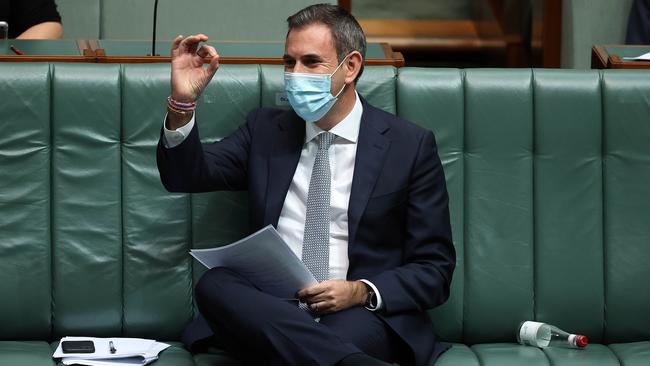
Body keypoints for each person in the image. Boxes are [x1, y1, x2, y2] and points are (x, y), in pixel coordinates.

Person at [157, 4, 455, 366]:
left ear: (351, 66)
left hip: (357, 313)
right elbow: (185, 175)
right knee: (215, 285)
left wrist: (360, 291)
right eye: (288, 62)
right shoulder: (265, 131)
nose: (295, 75)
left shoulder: (409, 146)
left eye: (311, 62)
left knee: (317, 341)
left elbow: (434, 268)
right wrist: (183, 103)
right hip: (269, 305)